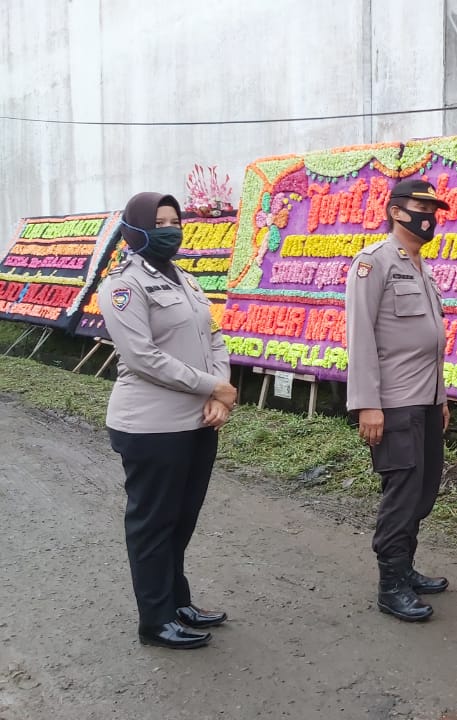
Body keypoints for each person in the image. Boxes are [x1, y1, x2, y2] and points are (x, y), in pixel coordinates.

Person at [101, 191, 238, 650]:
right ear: (135, 229)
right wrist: (210, 386)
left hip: (197, 421)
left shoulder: (187, 281)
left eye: (174, 220)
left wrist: (220, 392)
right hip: (151, 426)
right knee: (153, 524)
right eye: (158, 222)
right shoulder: (123, 285)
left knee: (181, 519)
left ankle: (177, 601)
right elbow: (143, 357)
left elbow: (215, 337)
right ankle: (155, 620)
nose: (169, 229)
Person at [346, 179, 452, 623]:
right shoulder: (374, 263)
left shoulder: (420, 266)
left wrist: (442, 399)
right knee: (402, 494)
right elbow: (361, 336)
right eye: (419, 207)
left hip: (426, 402)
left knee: (424, 491)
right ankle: (390, 586)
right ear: (395, 211)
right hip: (394, 403)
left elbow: (432, 343)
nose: (429, 216)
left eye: (434, 209)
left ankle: (405, 568)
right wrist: (368, 404)